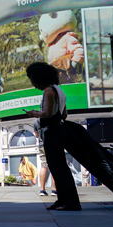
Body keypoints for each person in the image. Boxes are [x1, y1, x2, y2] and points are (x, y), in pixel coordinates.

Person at [24, 63, 81, 211]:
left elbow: (48, 114)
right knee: (59, 167)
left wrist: (34, 113)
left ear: (40, 78)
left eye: (33, 80)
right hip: (60, 130)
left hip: (52, 132)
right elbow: (64, 114)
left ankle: (69, 202)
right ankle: (63, 200)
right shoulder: (59, 91)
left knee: (58, 168)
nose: (33, 84)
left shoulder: (48, 91)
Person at [33, 120, 57, 196]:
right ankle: (54, 190)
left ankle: (42, 190)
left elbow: (36, 135)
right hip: (52, 144)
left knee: (44, 166)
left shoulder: (36, 121)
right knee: (53, 166)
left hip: (42, 145)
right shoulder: (51, 117)